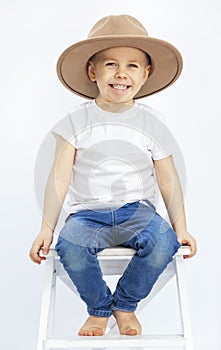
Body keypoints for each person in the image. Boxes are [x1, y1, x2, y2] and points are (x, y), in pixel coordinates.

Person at [29, 14, 197, 337]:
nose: (121, 74)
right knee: (71, 246)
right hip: (87, 217)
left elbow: (168, 178)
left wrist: (182, 227)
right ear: (92, 71)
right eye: (110, 65)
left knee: (164, 242)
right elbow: (59, 178)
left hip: (137, 213)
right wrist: (46, 228)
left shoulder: (152, 122)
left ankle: (124, 303)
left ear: (146, 74)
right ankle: (98, 309)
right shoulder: (76, 121)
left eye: (133, 66)